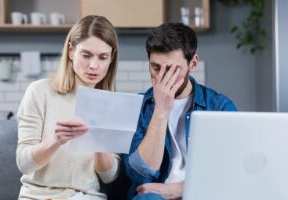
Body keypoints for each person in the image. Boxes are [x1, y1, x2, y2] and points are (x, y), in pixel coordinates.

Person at [124, 23, 237, 200]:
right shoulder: (137, 107)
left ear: (193, 64)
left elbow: (231, 171)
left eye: (171, 69)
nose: (162, 77)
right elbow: (139, 174)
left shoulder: (220, 107)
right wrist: (161, 111)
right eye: (155, 68)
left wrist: (178, 190)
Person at [16, 15, 120, 200]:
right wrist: (55, 140)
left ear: (111, 58)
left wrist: (100, 143)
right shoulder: (39, 92)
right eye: (86, 55)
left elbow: (109, 176)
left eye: (103, 57)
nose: (94, 66)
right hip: (37, 196)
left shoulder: (112, 104)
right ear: (71, 51)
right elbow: (24, 164)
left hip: (87, 196)